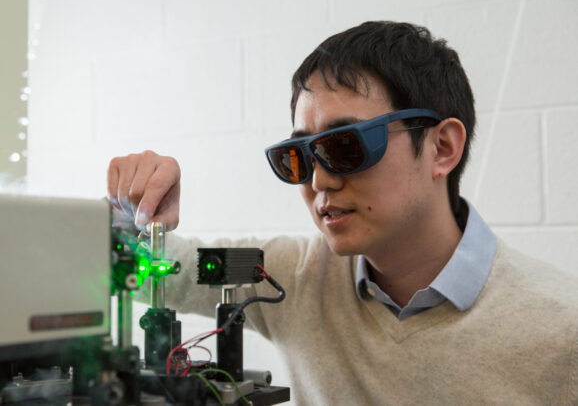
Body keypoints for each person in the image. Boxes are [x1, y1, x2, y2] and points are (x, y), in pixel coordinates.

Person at [108, 21, 578, 405]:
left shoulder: (561, 332)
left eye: (345, 146)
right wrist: (130, 212)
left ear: (442, 147)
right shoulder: (291, 276)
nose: (319, 182)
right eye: (299, 157)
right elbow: (147, 270)